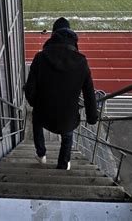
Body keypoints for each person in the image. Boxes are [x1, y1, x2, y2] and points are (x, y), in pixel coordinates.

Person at [25, 18, 98, 170]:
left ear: (53, 35)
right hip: (67, 117)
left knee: (36, 121)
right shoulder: (82, 61)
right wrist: (92, 117)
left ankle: (41, 154)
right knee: (68, 135)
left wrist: (36, 104)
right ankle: (63, 164)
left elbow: (30, 89)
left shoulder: (40, 58)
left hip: (44, 113)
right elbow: (89, 93)